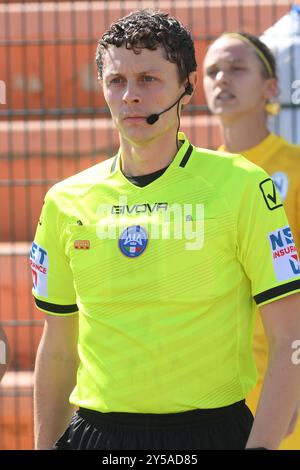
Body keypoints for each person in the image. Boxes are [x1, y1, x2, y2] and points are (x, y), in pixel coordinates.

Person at [31, 10, 300, 451]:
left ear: (187, 87)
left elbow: (291, 337)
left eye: (149, 80)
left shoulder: (244, 185)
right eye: (116, 81)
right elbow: (59, 349)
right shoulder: (65, 200)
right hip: (99, 437)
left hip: (213, 433)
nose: (130, 96)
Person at [203, 31, 300, 450]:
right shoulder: (198, 179)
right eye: (212, 71)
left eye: (237, 68)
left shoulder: (294, 169)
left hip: (282, 377)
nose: (222, 78)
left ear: (271, 87)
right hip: (215, 387)